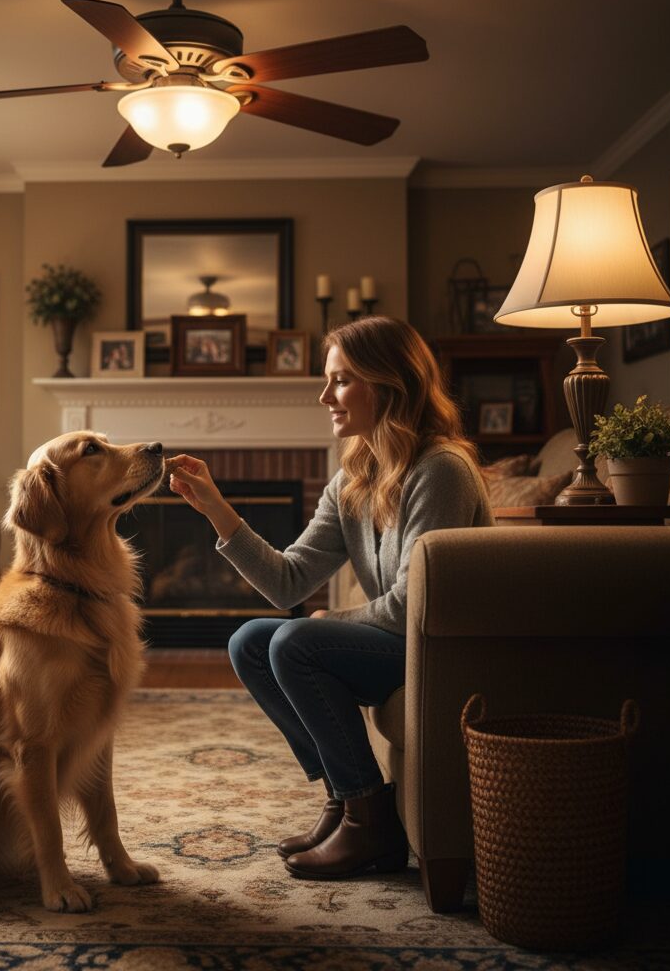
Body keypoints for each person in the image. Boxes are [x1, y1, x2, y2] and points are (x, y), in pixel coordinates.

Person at [167, 316, 493, 881]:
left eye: (341, 381)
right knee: (250, 640)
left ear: (389, 383)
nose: (325, 397)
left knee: (297, 641)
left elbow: (414, 604)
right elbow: (288, 582)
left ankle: (371, 821)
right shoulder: (353, 479)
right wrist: (215, 507)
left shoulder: (441, 471)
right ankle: (346, 802)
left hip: (440, 650)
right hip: (397, 644)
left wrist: (328, 619)